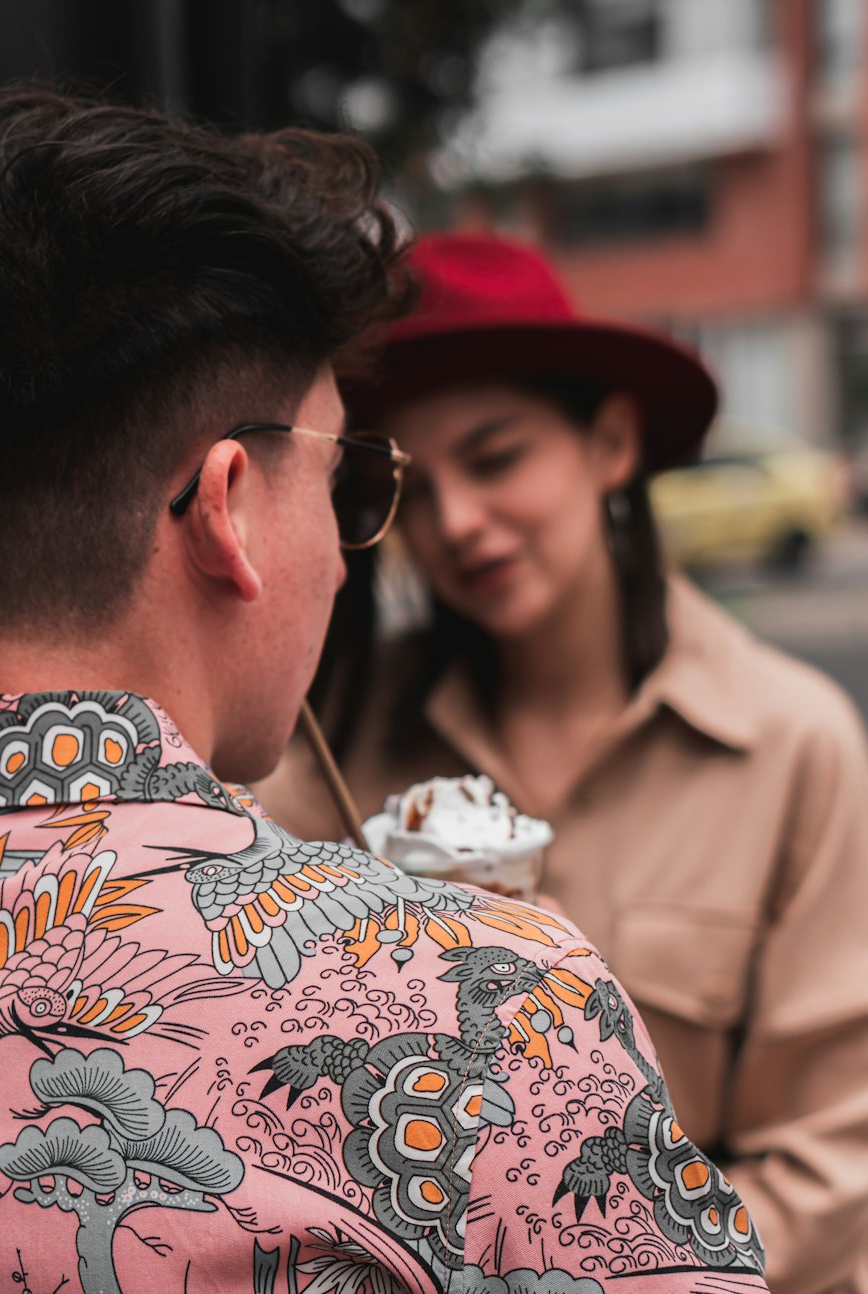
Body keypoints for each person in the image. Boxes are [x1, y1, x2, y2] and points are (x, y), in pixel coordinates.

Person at [0, 89, 768, 1294]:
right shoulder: (490, 1007)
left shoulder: (780, 744)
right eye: (349, 478)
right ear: (229, 505)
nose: (372, 545)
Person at [258, 231, 868, 1294]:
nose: (458, 522)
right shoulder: (337, 737)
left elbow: (836, 1160)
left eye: (497, 459)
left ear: (612, 442)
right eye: (417, 485)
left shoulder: (790, 744)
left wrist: (595, 1272)